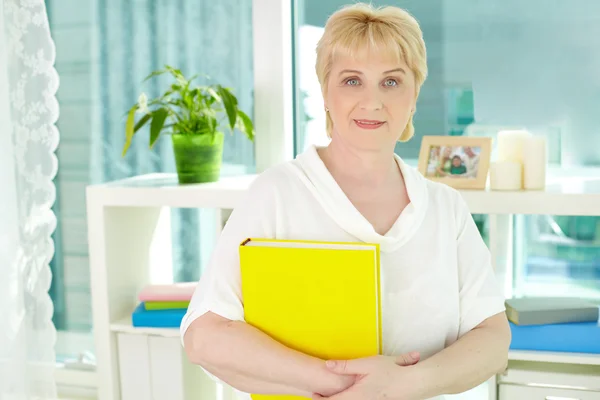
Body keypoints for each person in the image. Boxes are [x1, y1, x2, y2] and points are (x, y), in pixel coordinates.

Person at [180, 3, 510, 400]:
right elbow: (204, 334)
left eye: (391, 82)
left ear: (414, 94)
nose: (372, 101)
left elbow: (492, 339)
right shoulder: (278, 193)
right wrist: (339, 382)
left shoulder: (445, 207)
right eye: (352, 81)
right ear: (325, 92)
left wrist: (403, 384)